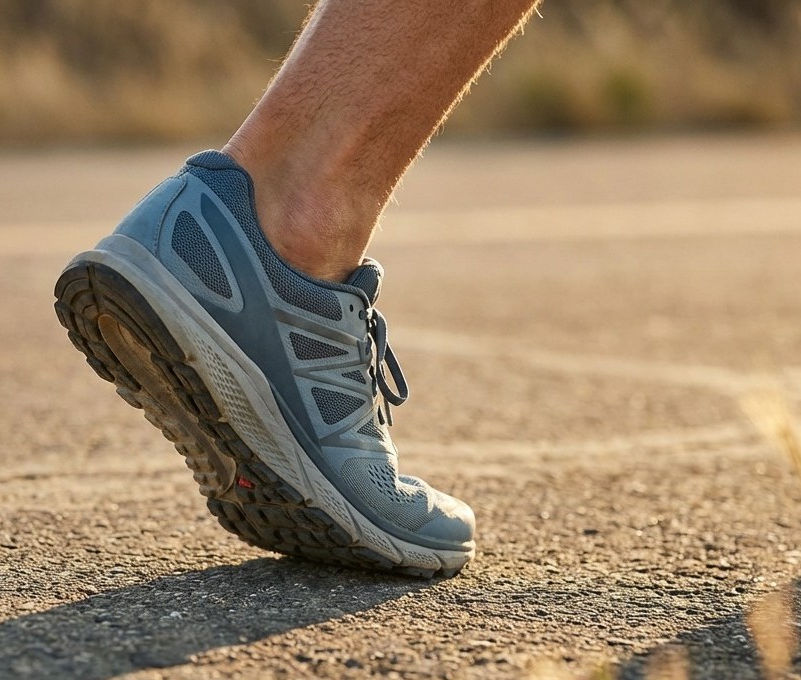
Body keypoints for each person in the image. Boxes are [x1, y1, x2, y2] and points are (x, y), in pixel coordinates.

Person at [54, 1, 543, 577]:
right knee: (311, 197)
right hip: (267, 245)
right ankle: (298, 227)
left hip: (205, 227)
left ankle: (237, 217)